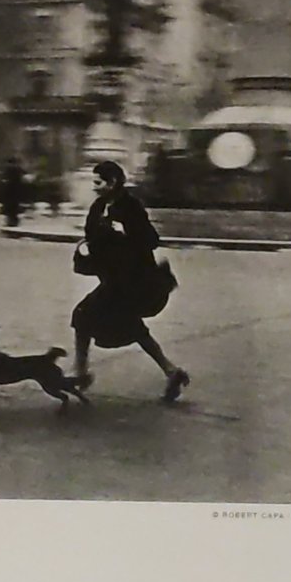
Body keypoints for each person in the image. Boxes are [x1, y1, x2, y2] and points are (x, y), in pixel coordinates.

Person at [71, 160, 189, 403]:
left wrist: (123, 230)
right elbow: (92, 236)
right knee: (107, 321)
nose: (95, 187)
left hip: (133, 281)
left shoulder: (131, 206)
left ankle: (81, 374)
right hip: (114, 280)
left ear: (113, 182)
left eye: (98, 182)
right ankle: (171, 372)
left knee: (87, 316)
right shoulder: (99, 206)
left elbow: (150, 240)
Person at [1, 157, 25, 227]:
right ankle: (14, 220)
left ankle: (11, 221)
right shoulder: (18, 168)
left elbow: (5, 178)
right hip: (17, 189)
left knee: (9, 206)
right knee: (15, 205)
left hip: (9, 189)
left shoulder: (8, 168)